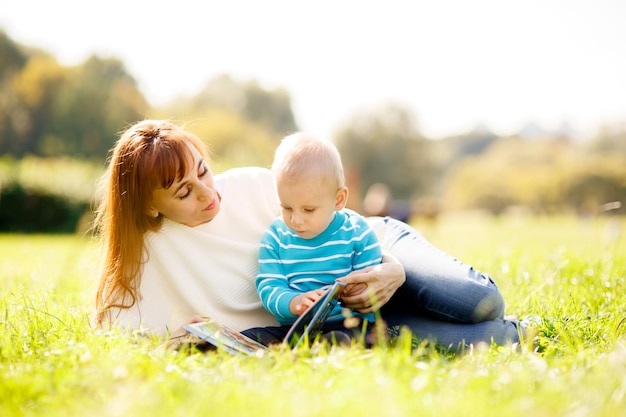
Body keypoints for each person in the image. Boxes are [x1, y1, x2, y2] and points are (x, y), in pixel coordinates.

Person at [94, 119, 524, 351]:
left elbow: (344, 222)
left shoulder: (250, 184)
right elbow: (114, 325)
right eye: (184, 191)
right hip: (343, 315)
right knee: (491, 337)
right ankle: (525, 331)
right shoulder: (151, 253)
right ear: (151, 206)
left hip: (376, 248)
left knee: (479, 302)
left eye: (203, 170)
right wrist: (177, 337)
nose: (209, 193)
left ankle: (456, 301)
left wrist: (390, 270)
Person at [254, 132, 383, 346]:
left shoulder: (357, 232)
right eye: (286, 207)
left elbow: (372, 287)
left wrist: (356, 293)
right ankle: (204, 345)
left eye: (308, 209)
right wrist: (293, 302)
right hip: (293, 328)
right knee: (254, 336)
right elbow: (269, 285)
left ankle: (336, 346)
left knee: (353, 337)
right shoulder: (275, 237)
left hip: (347, 324)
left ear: (338, 199)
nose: (296, 220)